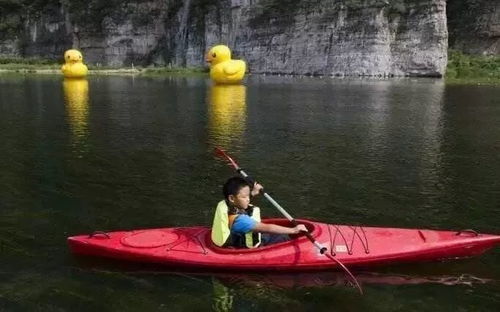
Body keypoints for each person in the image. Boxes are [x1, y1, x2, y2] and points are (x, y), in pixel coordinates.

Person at [211, 176, 307, 248]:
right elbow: (267, 228)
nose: (248, 199)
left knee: (276, 234)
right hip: (246, 248)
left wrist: (253, 192)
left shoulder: (226, 204)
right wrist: (293, 230)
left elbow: (240, 202)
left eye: (248, 195)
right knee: (283, 237)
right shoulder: (241, 221)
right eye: (244, 197)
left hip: (234, 238)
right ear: (231, 198)